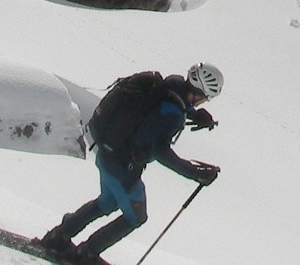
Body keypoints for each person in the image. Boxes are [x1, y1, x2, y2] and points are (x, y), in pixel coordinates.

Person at [38, 62, 223, 265]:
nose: (203, 102)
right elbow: (161, 152)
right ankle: (86, 254)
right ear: (198, 94)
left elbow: (169, 104)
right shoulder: (173, 113)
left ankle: (58, 237)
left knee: (107, 202)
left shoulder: (172, 86)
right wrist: (194, 173)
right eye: (205, 98)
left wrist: (194, 115)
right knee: (136, 216)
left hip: (107, 153)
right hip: (122, 167)